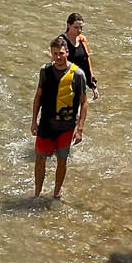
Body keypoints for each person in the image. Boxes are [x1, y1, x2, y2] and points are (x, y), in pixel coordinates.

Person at [31, 36, 89, 199]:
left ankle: (56, 192)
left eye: (61, 53)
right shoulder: (45, 71)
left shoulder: (78, 74)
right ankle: (37, 193)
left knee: (62, 160)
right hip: (46, 125)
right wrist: (33, 121)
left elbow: (84, 102)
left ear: (67, 52)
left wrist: (80, 129)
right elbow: (38, 97)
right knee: (40, 160)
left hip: (66, 127)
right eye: (54, 53)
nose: (58, 57)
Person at [65, 13, 99, 98]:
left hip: (79, 83)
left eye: (81, 28)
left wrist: (93, 86)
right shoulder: (61, 42)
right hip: (65, 84)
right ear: (68, 25)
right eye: (76, 27)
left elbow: (87, 63)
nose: (79, 30)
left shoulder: (82, 39)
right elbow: (55, 65)